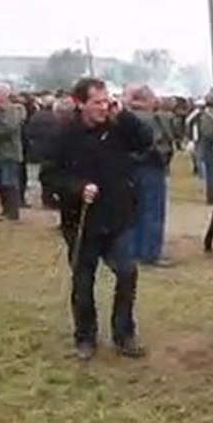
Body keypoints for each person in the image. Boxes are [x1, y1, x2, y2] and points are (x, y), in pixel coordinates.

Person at [42, 78, 154, 360]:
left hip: (116, 217)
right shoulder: (64, 135)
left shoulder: (117, 129)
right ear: (81, 103)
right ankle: (85, 336)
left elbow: (145, 141)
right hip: (81, 220)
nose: (104, 107)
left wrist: (123, 114)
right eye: (98, 102)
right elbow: (49, 175)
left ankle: (124, 333)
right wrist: (78, 188)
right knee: (83, 280)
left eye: (107, 101)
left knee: (127, 272)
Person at [125, 85, 176, 267]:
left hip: (129, 170)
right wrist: (165, 157)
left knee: (133, 211)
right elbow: (159, 145)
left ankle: (133, 250)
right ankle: (150, 253)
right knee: (152, 211)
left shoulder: (125, 117)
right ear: (145, 100)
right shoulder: (150, 120)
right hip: (150, 169)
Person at [0, 83, 25, 221]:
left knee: (9, 182)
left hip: (9, 152)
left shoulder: (11, 110)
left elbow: (7, 129)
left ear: (4, 94)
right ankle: (5, 210)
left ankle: (13, 213)